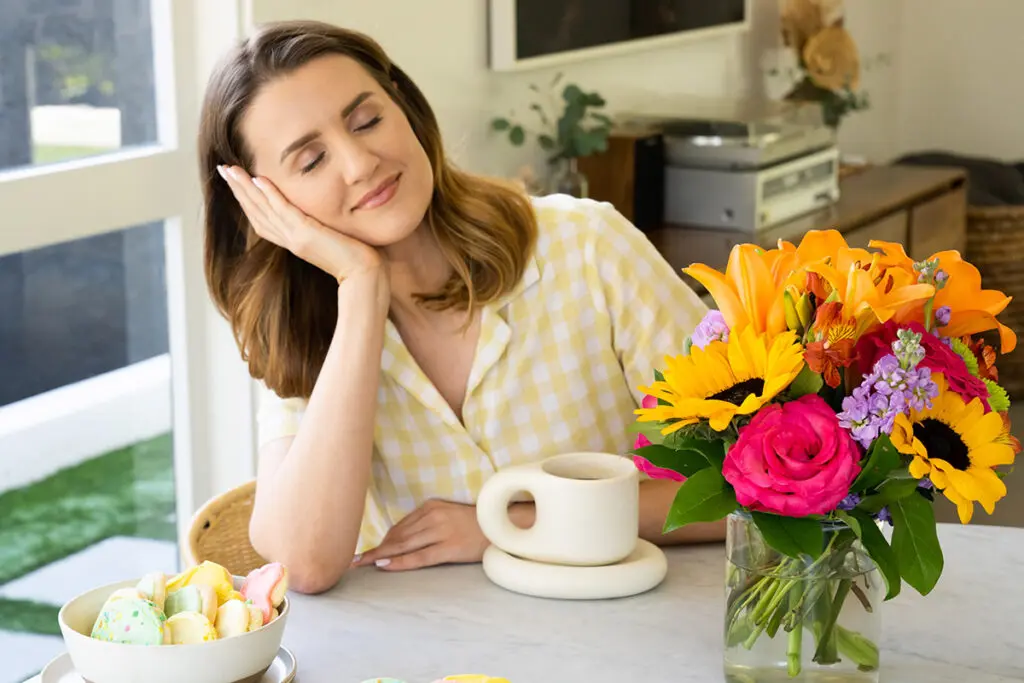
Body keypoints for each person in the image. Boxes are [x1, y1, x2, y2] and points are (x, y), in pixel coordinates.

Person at [199, 19, 722, 595]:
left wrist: (511, 524)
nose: (360, 163)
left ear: (405, 108)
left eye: (368, 121)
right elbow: (304, 563)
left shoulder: (587, 246)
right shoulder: (306, 331)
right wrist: (361, 287)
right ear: (263, 203)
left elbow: (760, 488)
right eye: (311, 160)